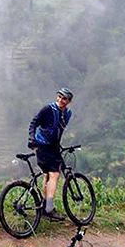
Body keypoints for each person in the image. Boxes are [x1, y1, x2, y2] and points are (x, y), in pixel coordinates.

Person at [27, 88, 73, 221]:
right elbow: (34, 123)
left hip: (53, 147)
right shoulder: (48, 109)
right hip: (43, 145)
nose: (60, 100)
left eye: (64, 98)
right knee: (55, 174)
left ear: (69, 102)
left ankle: (44, 205)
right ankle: (49, 208)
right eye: (59, 97)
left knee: (48, 175)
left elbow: (59, 130)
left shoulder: (68, 114)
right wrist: (31, 139)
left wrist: (58, 146)